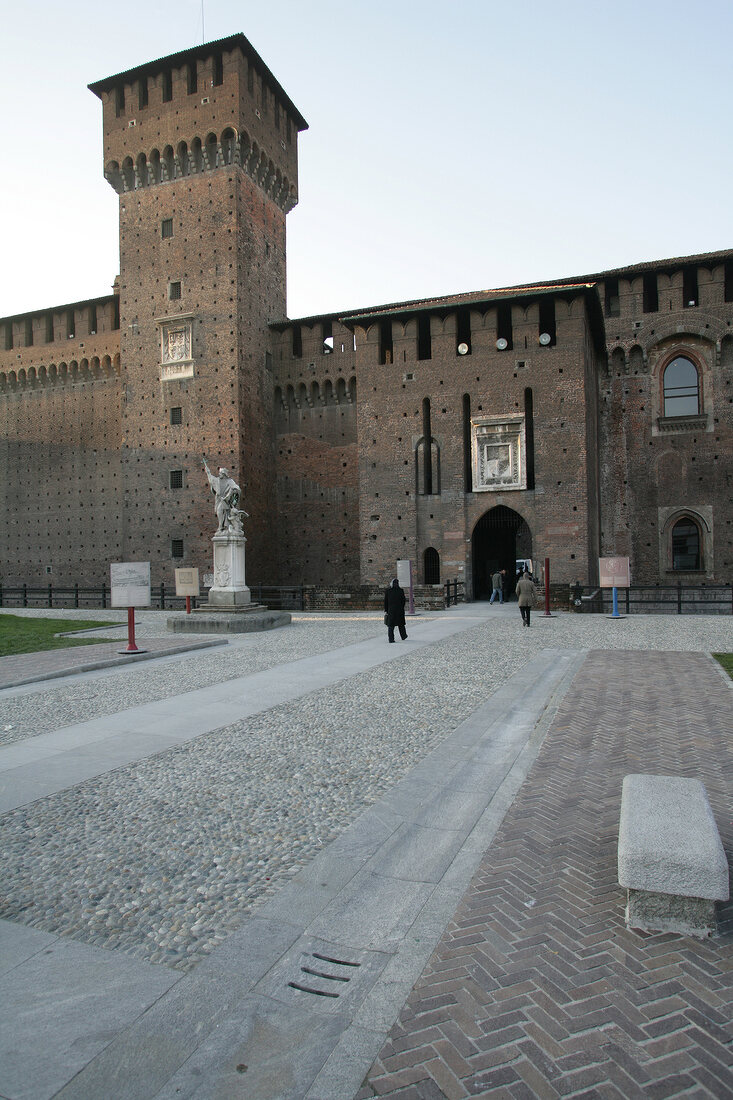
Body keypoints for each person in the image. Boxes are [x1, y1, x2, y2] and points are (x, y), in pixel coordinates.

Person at [203, 457, 244, 533]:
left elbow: (237, 488)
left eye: (221, 473)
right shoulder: (217, 480)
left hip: (226, 500)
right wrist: (208, 472)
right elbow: (211, 478)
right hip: (219, 499)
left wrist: (232, 493)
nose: (219, 474)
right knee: (219, 512)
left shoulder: (229, 481)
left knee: (220, 511)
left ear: (224, 474)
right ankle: (222, 526)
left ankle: (221, 527)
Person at [384, 577, 407, 642]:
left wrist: (386, 610)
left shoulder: (388, 591)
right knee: (401, 624)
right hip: (399, 610)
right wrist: (402, 607)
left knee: (391, 625)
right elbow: (403, 601)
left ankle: (391, 639)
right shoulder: (401, 590)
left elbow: (386, 601)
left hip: (391, 610)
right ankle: (403, 636)